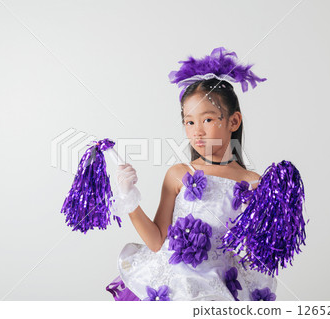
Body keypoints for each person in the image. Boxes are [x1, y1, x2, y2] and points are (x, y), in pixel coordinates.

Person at [106, 47, 277, 301]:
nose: (197, 131)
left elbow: (257, 252)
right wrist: (128, 196)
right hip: (178, 289)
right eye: (189, 121)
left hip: (221, 291)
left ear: (233, 121)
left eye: (207, 120)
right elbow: (156, 241)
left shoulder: (253, 183)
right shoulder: (178, 174)